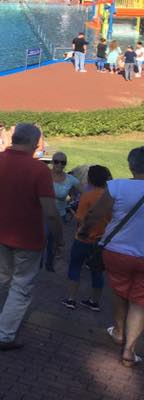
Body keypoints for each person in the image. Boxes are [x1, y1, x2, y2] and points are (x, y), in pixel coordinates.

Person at [0, 124, 61, 350]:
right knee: (22, 286)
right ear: (35, 143)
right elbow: (50, 212)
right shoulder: (39, 170)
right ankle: (6, 334)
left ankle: (3, 319)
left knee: (0, 281)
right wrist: (59, 240)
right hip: (29, 239)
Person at [80, 146, 144, 367]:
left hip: (116, 250)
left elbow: (96, 213)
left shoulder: (117, 186)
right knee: (140, 301)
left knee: (118, 291)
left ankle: (118, 331)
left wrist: (84, 231)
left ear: (130, 165)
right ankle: (129, 350)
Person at [64, 165, 113, 312]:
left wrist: (72, 212)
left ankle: (71, 299)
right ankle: (94, 301)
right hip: (101, 240)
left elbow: (80, 218)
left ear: (90, 178)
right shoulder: (111, 197)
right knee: (97, 271)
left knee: (75, 267)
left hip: (83, 238)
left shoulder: (87, 196)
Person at [43, 152, 80, 272]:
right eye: (56, 161)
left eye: (63, 162)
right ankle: (38, 264)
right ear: (52, 162)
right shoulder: (44, 175)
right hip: (43, 214)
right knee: (42, 238)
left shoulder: (70, 179)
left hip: (60, 215)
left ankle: (49, 264)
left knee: (53, 241)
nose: (59, 164)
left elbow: (86, 191)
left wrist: (75, 203)